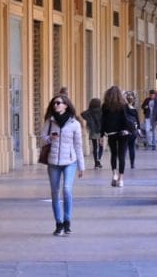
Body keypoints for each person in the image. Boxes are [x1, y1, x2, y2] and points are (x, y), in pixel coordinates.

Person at [40, 93, 85, 235]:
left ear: (66, 104)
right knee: (54, 192)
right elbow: (42, 139)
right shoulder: (50, 122)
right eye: (54, 103)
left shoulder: (74, 124)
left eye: (58, 103)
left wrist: (81, 166)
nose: (56, 105)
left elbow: (78, 145)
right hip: (53, 162)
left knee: (66, 189)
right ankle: (58, 223)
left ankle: (67, 221)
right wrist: (50, 138)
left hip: (70, 162)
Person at [100, 85, 133, 187]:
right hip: (123, 133)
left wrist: (101, 134)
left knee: (113, 154)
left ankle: (114, 174)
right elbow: (126, 118)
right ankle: (121, 179)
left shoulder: (105, 106)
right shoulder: (123, 105)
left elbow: (103, 121)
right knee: (122, 155)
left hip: (111, 133)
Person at [80, 97, 104, 168]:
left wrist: (89, 120)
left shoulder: (90, 111)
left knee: (95, 147)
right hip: (100, 131)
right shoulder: (101, 110)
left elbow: (82, 114)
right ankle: (99, 159)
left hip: (93, 131)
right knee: (101, 146)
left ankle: (96, 162)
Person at [123, 91, 140, 168]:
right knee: (131, 147)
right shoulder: (134, 110)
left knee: (124, 148)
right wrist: (138, 129)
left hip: (125, 130)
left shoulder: (124, 109)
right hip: (133, 131)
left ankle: (122, 162)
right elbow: (138, 120)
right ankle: (132, 164)